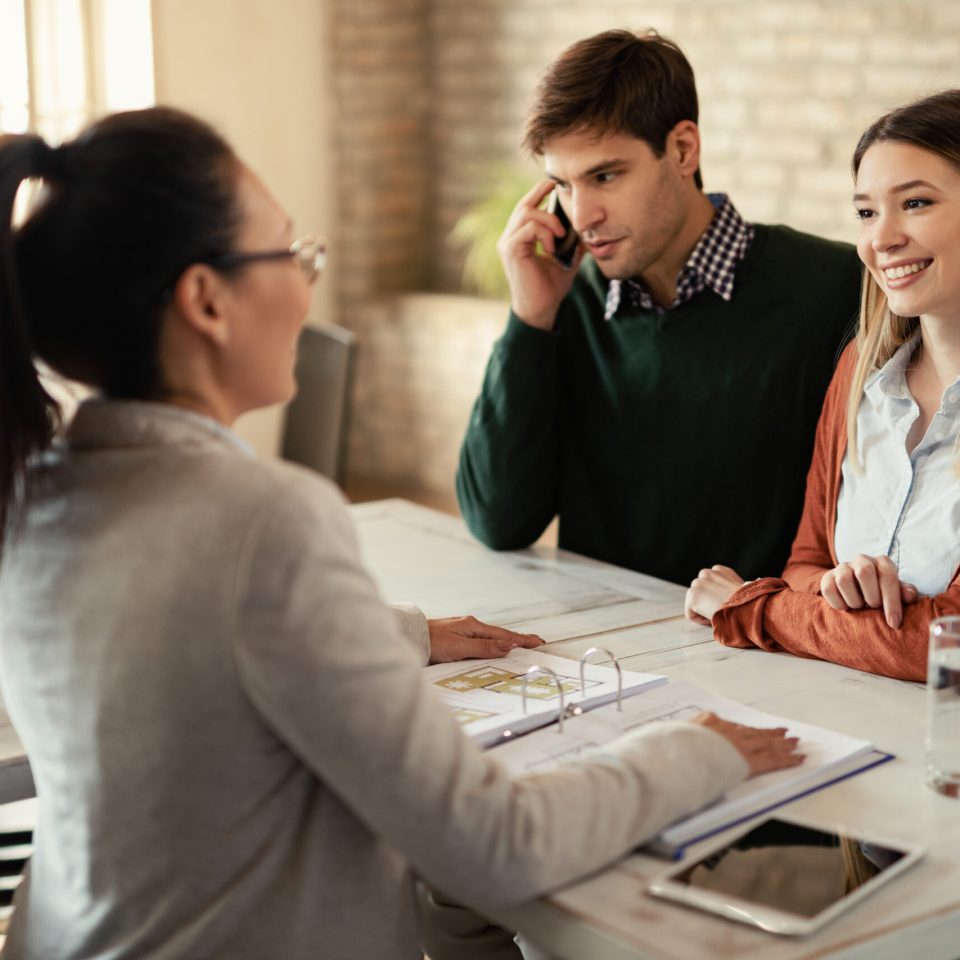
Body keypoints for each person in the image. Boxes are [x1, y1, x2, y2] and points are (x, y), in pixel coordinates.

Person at [0, 107, 802, 960]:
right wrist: (694, 752)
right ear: (205, 300)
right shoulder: (265, 517)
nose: (309, 283)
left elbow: (179, 627)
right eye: (291, 253)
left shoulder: (35, 489)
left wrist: (405, 632)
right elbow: (495, 840)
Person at [456, 29, 862, 587]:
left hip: (761, 652)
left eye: (605, 176)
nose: (582, 215)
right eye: (563, 185)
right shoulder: (565, 300)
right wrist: (530, 320)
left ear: (682, 150)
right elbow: (498, 520)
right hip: (606, 655)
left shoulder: (834, 289)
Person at [684, 89, 960, 682]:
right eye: (865, 212)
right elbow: (807, 563)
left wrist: (755, 608)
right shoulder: (861, 371)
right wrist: (839, 590)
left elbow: (944, 644)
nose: (880, 239)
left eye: (914, 202)